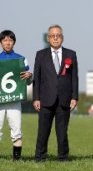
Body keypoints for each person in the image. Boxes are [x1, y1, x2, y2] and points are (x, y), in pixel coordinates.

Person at [33, 25, 78, 162]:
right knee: (43, 131)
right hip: (46, 99)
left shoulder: (71, 54)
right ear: (48, 38)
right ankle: (40, 157)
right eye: (53, 35)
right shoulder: (40, 55)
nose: (55, 38)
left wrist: (74, 97)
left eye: (58, 35)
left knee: (62, 132)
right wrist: (36, 98)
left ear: (62, 38)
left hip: (64, 99)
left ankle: (63, 157)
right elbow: (37, 78)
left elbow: (74, 78)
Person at [0, 30, 32, 160]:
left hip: (15, 99)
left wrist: (30, 75)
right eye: (5, 40)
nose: (8, 43)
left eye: (10, 40)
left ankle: (17, 159)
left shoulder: (21, 59)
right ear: (1, 42)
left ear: (14, 42)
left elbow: (27, 81)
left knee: (16, 128)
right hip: (0, 99)